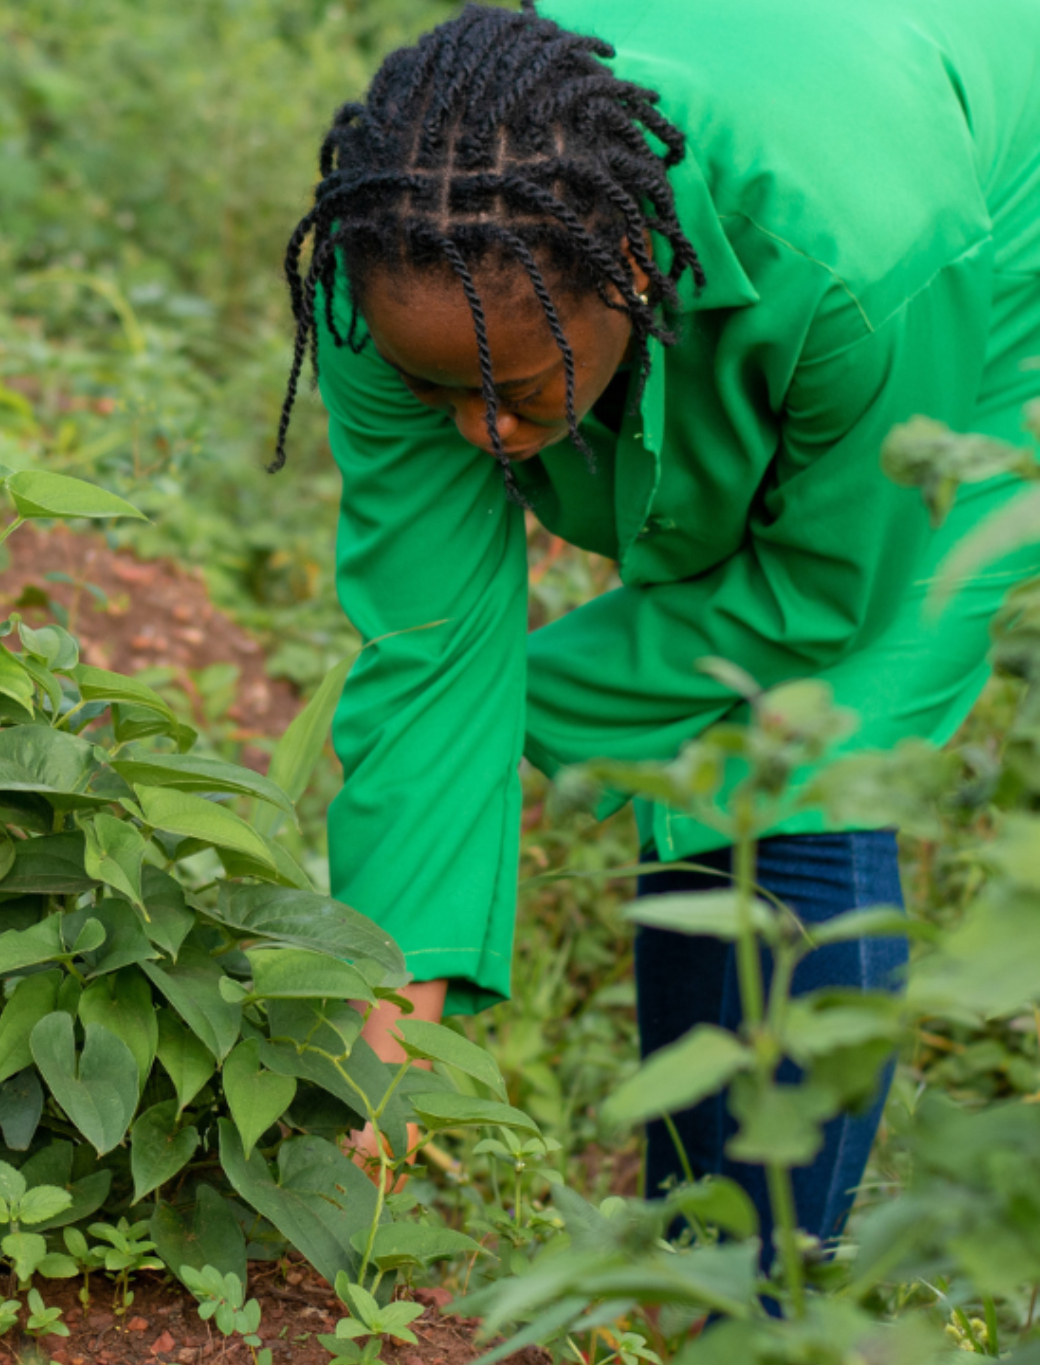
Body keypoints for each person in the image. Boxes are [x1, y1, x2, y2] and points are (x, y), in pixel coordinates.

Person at [278, 0, 1040, 1258]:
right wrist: (384, 1045)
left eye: (515, 394)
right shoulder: (400, 263)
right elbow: (426, 638)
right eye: (435, 394)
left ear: (632, 275)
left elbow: (822, 593)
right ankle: (699, 1262)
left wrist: (503, 714)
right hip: (776, 110)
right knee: (454, 699)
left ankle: (750, 1285)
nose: (476, 432)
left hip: (978, 202)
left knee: (798, 737)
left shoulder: (869, 259)